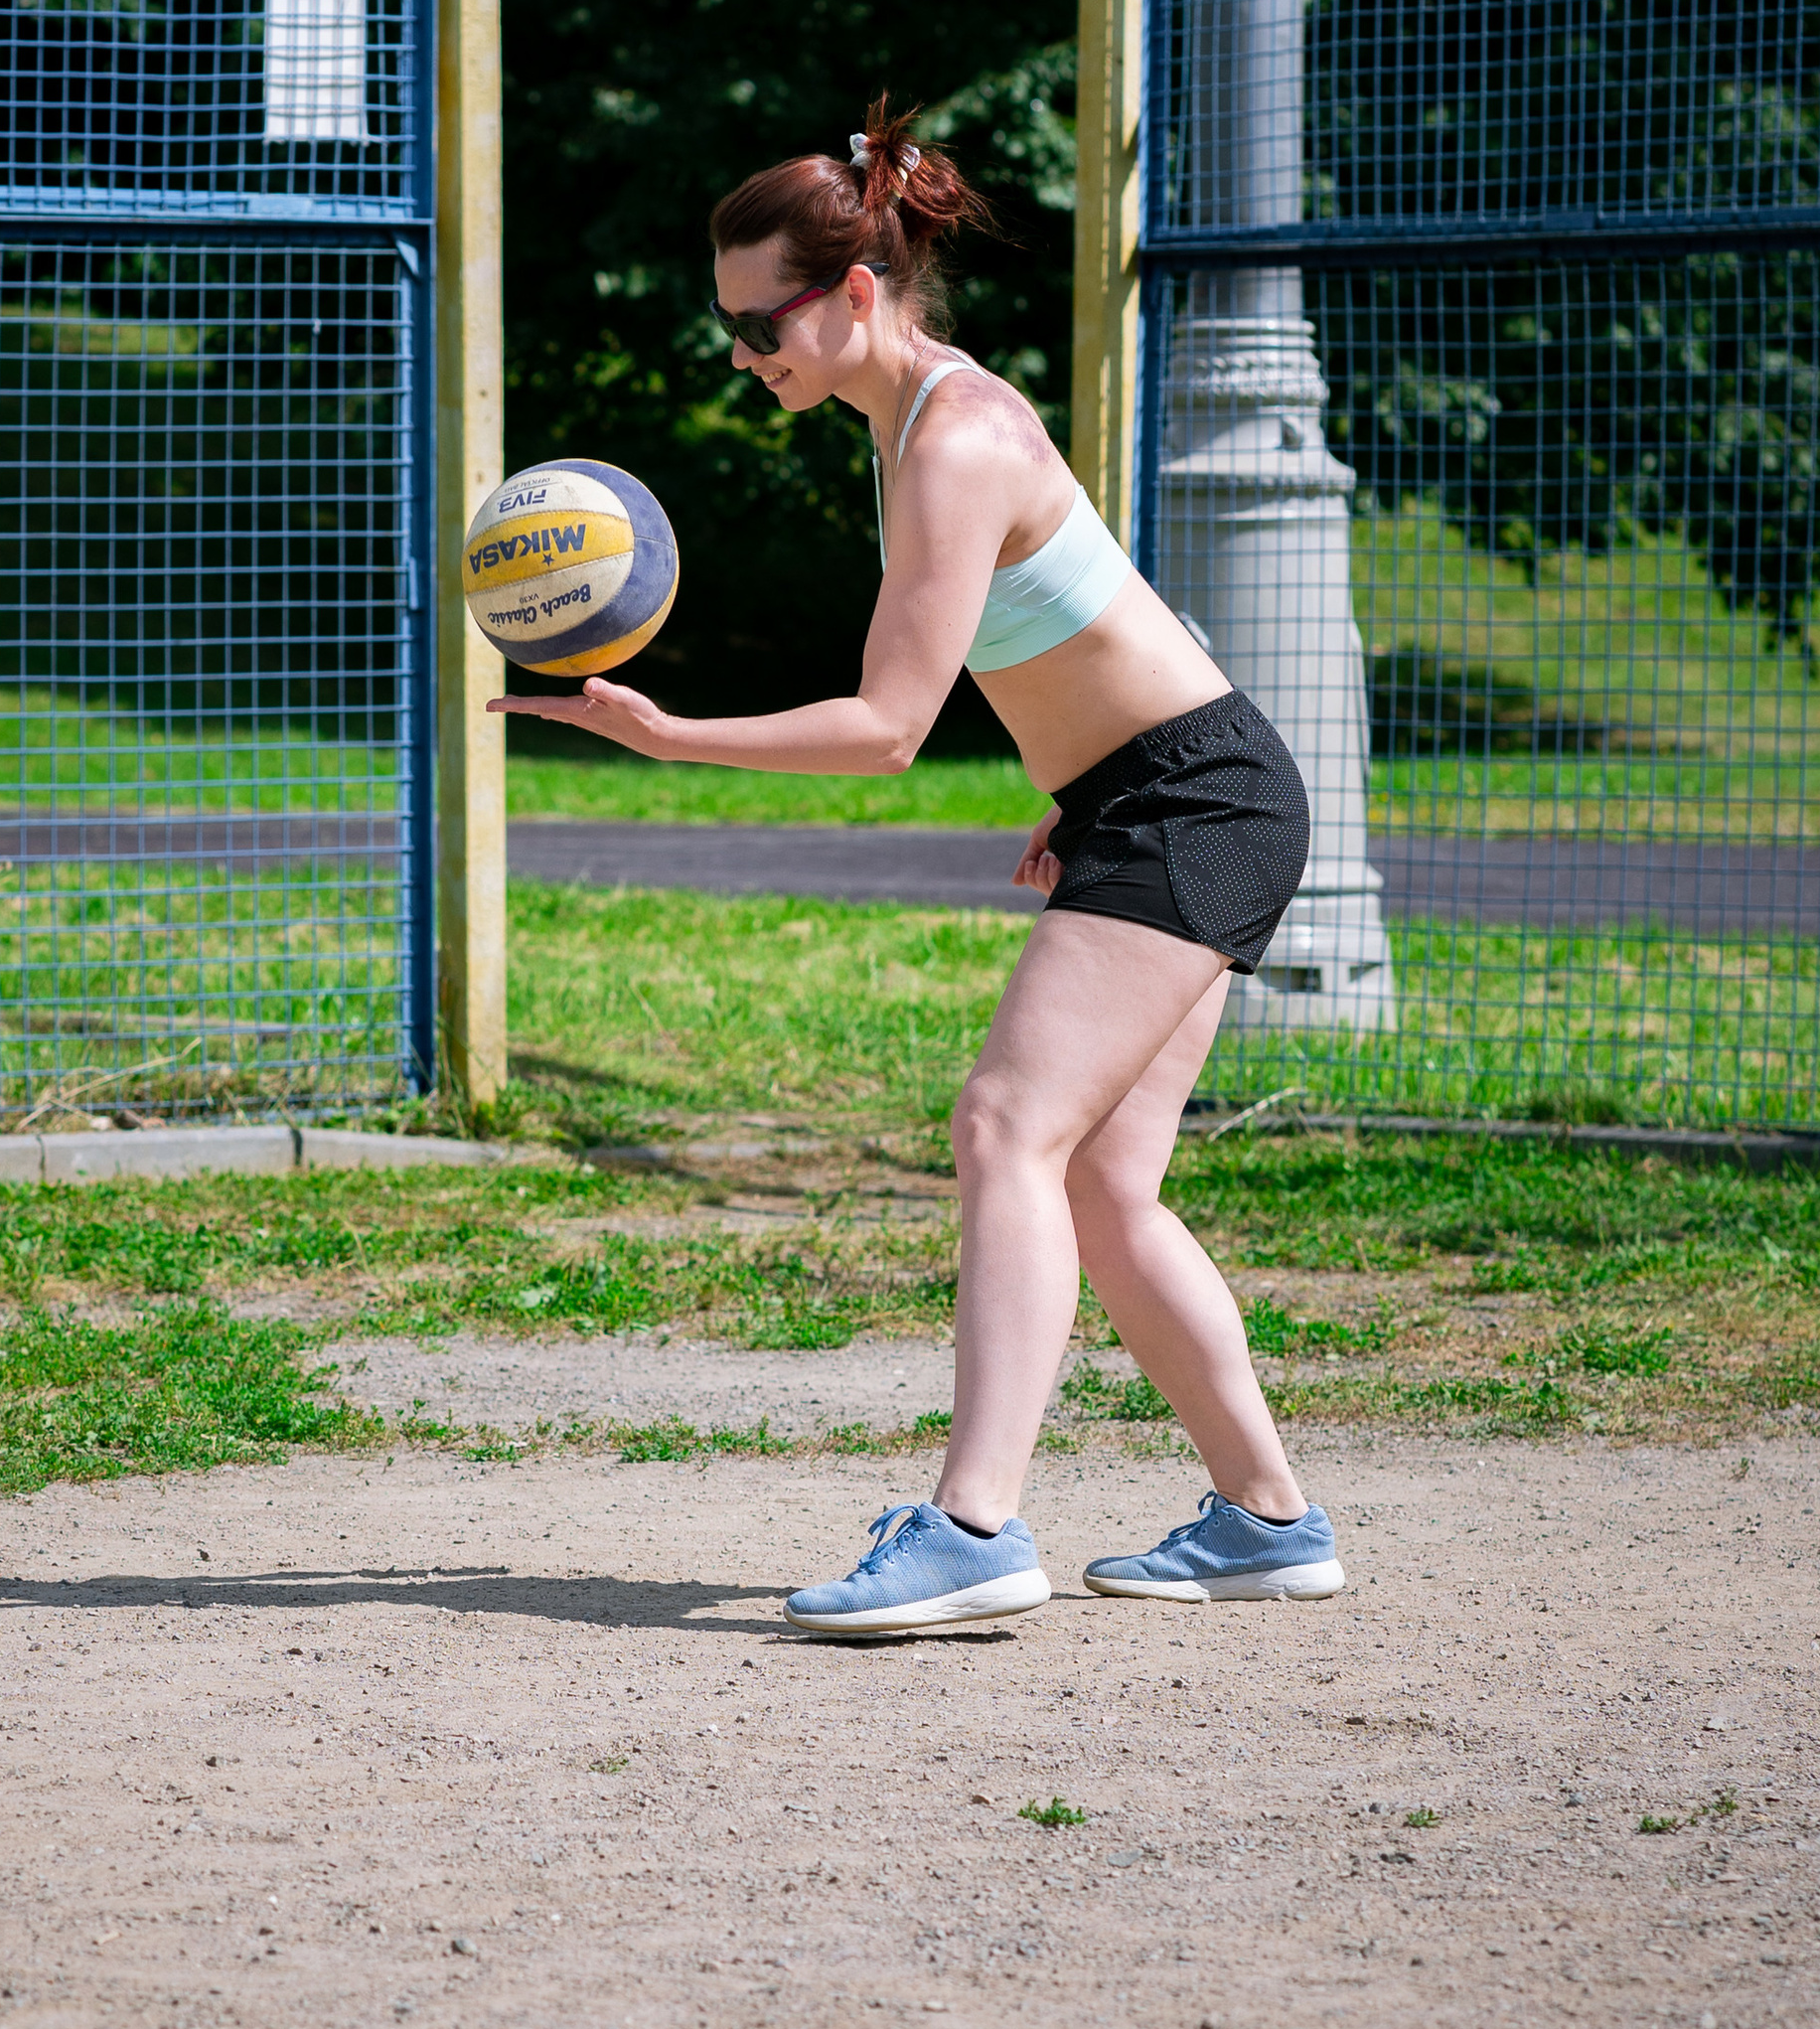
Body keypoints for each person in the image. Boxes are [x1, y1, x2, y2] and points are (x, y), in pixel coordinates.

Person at [487, 92, 1346, 1639]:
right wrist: (1086, 785)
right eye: (729, 328)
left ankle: (972, 1525)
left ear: (859, 292)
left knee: (1006, 1126)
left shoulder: (954, 437)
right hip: (1171, 790)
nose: (747, 355)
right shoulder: (913, 425)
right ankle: (1269, 1518)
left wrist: (669, 737)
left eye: (764, 325)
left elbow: (889, 729)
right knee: (1098, 1180)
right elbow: (1099, 633)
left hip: (1199, 802)